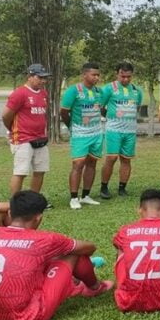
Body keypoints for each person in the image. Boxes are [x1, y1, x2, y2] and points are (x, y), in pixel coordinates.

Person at [0, 191, 112, 320]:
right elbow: (89, 248)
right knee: (73, 253)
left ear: (9, 213)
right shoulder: (44, 239)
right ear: (38, 218)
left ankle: (74, 285)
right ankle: (95, 287)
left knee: (44, 258)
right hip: (25, 318)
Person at [2, 64, 51, 196]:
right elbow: (6, 115)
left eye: (44, 78)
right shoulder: (19, 93)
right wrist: (12, 129)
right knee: (21, 172)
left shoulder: (43, 93)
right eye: (39, 77)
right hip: (23, 138)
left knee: (40, 170)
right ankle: (15, 202)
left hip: (40, 138)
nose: (43, 81)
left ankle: (33, 200)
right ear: (29, 76)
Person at [60, 62, 104, 210]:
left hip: (97, 132)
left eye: (98, 75)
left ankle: (86, 196)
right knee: (78, 164)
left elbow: (100, 109)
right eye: (93, 75)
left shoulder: (99, 92)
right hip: (80, 133)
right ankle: (73, 198)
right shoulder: (74, 91)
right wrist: (72, 126)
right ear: (84, 75)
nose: (96, 77)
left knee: (92, 163)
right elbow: (64, 112)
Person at [99, 62, 143, 199]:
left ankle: (122, 188)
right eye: (122, 76)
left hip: (130, 131)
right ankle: (104, 187)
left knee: (126, 159)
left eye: (128, 77)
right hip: (113, 129)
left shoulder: (137, 90)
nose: (125, 79)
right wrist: (110, 116)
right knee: (111, 158)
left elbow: (138, 107)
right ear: (117, 74)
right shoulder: (108, 89)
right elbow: (100, 106)